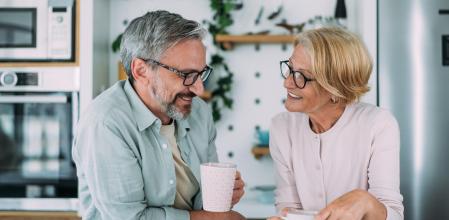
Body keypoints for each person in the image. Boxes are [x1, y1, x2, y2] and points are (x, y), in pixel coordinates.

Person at [72, 10, 245, 220]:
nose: (199, 89)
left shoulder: (199, 112)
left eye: (200, 74)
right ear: (141, 71)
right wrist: (215, 218)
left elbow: (204, 203)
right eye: (186, 75)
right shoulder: (105, 123)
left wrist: (223, 194)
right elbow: (129, 218)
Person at [267, 27, 403, 220]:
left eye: (301, 76)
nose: (287, 83)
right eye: (289, 69)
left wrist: (366, 202)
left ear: (335, 89)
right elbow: (288, 208)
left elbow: (395, 215)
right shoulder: (282, 127)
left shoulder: (378, 124)